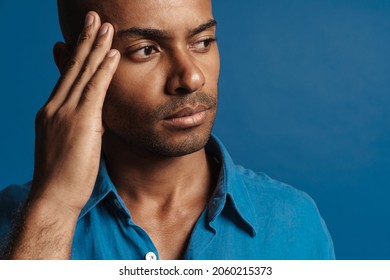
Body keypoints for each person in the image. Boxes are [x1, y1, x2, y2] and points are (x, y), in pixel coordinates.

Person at [0, 0, 335, 260]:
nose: (191, 78)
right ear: (72, 65)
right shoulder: (11, 223)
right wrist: (56, 204)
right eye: (146, 50)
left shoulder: (294, 222)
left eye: (202, 41)